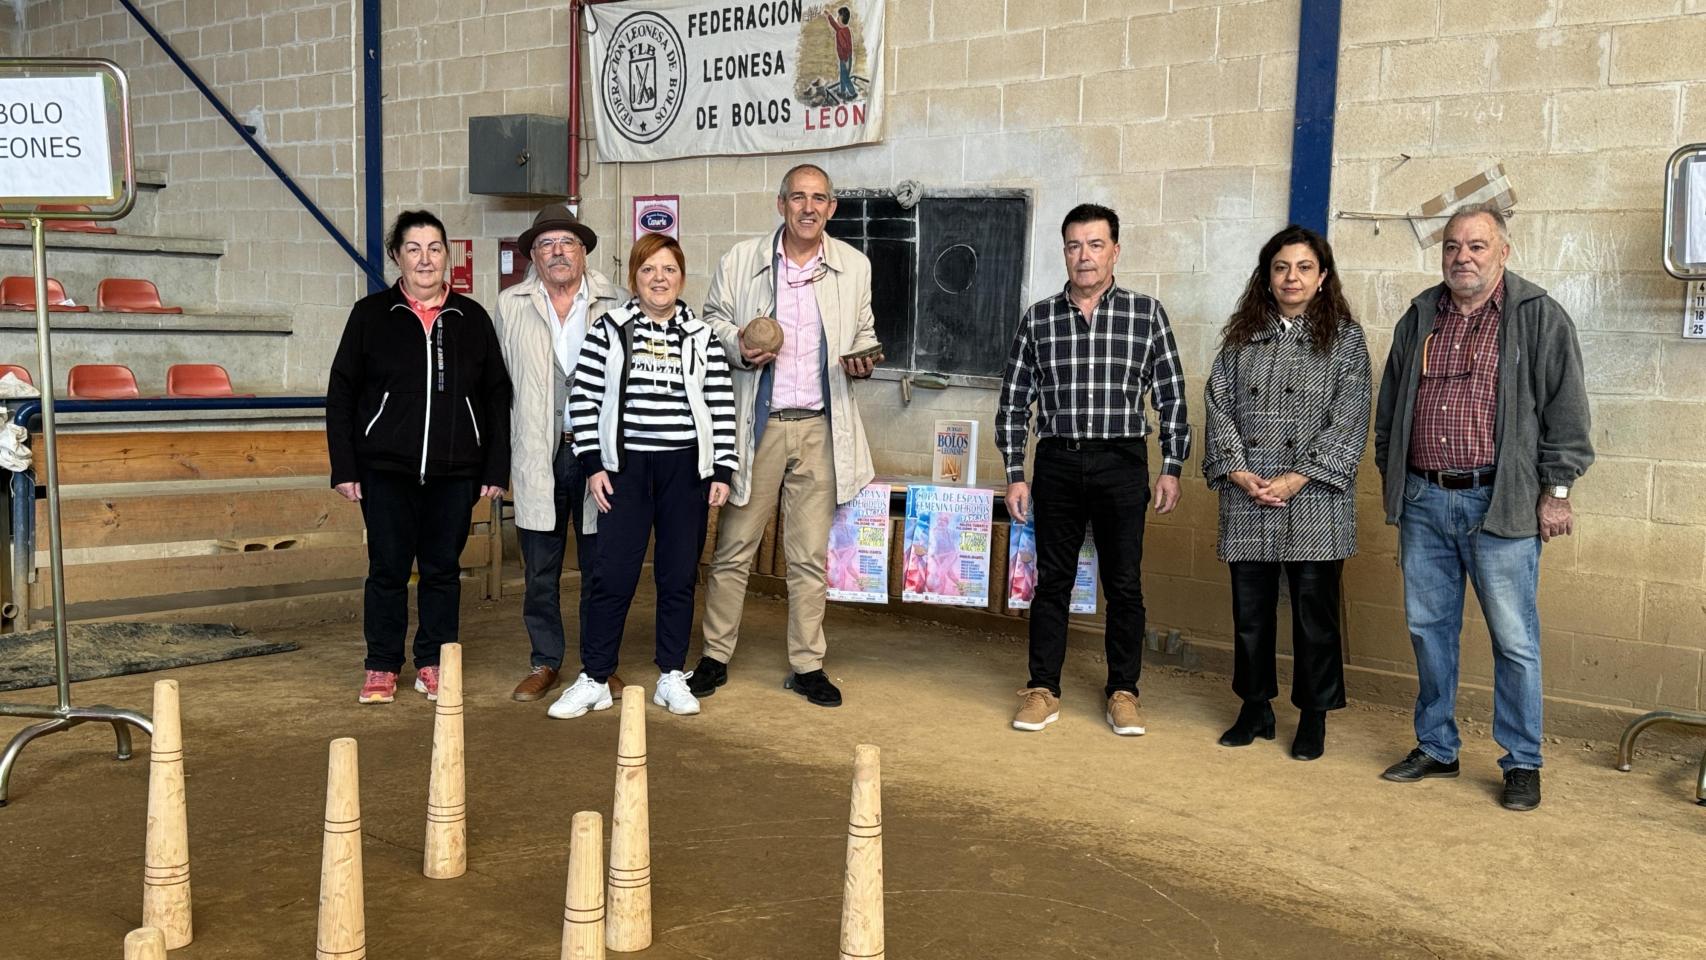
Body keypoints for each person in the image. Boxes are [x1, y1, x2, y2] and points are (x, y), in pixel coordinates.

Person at [1373, 202, 1593, 811]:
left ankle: (1522, 761)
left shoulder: (1538, 317)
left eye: (1475, 246)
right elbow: (1389, 410)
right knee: (1428, 630)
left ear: (1503, 251)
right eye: (1451, 246)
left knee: (1514, 639)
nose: (1461, 257)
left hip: (1502, 504)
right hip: (1424, 499)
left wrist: (1557, 492)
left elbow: (1567, 416)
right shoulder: (1420, 317)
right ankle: (1437, 747)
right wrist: (1394, 474)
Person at [689, 163, 882, 707]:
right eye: (797, 197)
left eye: (819, 198)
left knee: (807, 557)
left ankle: (807, 665)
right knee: (733, 549)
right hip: (759, 423)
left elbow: (863, 330)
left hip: (820, 426)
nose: (808, 207)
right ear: (781, 205)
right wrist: (740, 347)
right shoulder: (743, 259)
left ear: (832, 208)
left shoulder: (854, 266)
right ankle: (714, 657)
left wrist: (862, 357)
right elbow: (712, 321)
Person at [996, 202, 1190, 737]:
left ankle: (1124, 692)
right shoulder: (1039, 319)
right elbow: (1014, 403)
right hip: (1057, 461)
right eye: (1074, 245)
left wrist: (1171, 466)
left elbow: (1171, 396)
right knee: (1052, 581)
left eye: (1096, 245)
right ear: (1064, 252)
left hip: (1122, 461)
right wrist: (1016, 470)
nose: (1084, 256)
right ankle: (1042, 689)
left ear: (1115, 252)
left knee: (1124, 583)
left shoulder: (1146, 314)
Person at [546, 233, 737, 719]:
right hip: (624, 470)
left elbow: (720, 403)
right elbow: (582, 400)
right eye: (649, 269)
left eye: (669, 270)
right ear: (635, 277)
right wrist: (593, 464)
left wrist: (721, 469)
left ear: (681, 278)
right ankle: (594, 677)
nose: (659, 279)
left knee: (677, 575)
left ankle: (671, 675)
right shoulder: (610, 328)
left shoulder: (701, 335)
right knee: (612, 575)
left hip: (685, 471)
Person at [326, 209, 512, 704]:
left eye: (435, 248)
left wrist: (495, 466)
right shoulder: (370, 317)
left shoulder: (472, 319)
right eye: (414, 249)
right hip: (385, 468)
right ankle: (382, 666)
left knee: (442, 570)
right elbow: (341, 393)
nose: (425, 259)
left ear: (447, 255)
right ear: (397, 257)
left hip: (456, 472)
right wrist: (344, 466)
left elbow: (496, 396)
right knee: (387, 569)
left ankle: (433, 661)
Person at [1201, 225, 1370, 761]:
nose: (1290, 277)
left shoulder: (1345, 339)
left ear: (1322, 278)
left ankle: (1313, 716)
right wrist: (1237, 471)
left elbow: (1350, 418)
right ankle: (1255, 708)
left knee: (1313, 619)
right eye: (1280, 267)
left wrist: (1299, 477)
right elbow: (1218, 404)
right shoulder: (1241, 339)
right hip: (1248, 495)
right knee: (1250, 615)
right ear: (1266, 277)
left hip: (1316, 499)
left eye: (1302, 268)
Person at [496, 203, 628, 704]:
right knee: (540, 570)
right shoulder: (512, 304)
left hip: (598, 455)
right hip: (537, 452)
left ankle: (599, 665)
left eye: (567, 243)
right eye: (546, 244)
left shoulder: (615, 302)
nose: (557, 252)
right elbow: (499, 386)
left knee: (601, 565)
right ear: (533, 253)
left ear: (584, 251)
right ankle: (545, 661)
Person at [823, 6, 856, 99]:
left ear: (842, 19)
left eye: (838, 17)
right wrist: (829, 16)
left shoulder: (841, 32)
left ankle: (853, 93)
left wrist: (844, 60)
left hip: (845, 59)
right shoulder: (844, 29)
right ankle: (842, 92)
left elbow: (845, 47)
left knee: (845, 78)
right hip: (845, 58)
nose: (837, 19)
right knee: (842, 76)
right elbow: (835, 25)